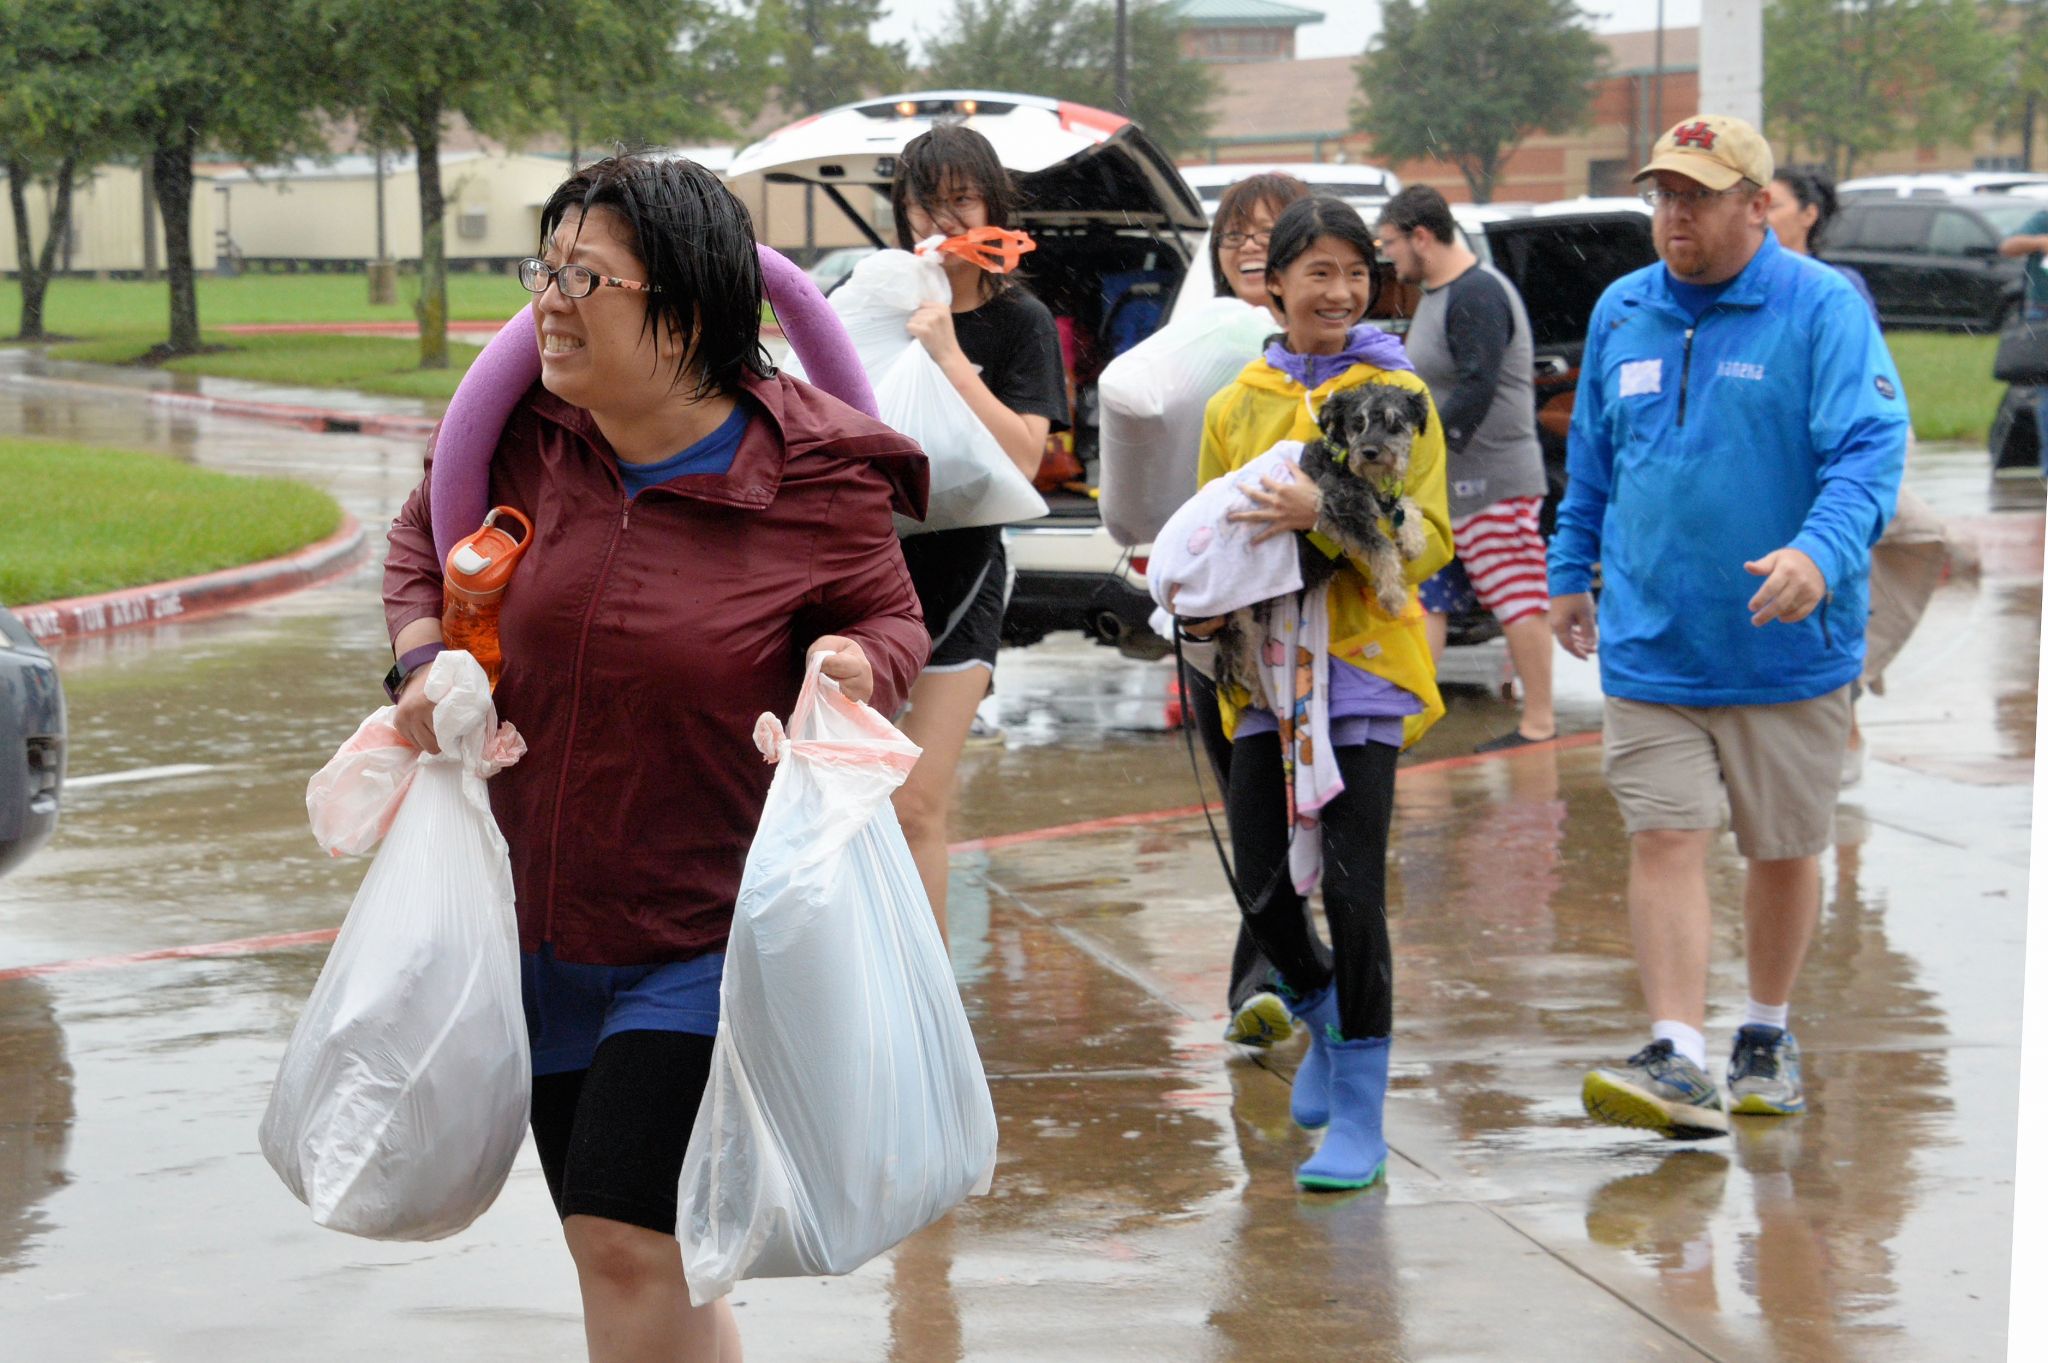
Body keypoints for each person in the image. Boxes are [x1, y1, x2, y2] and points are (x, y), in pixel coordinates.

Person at [381, 155, 929, 1363]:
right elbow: (423, 543)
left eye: (585, 275)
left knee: (627, 1237)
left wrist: (852, 663)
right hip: (537, 919)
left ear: (684, 308)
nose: (549, 300)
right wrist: (422, 660)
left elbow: (891, 621)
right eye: (545, 267)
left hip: (701, 928)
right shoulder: (524, 437)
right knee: (623, 1250)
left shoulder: (817, 467)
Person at [1550, 116, 1908, 1139]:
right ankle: (1676, 1051)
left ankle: (1763, 1028)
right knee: (1663, 833)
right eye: (1662, 195)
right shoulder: (1624, 308)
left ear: (1757, 205)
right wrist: (1567, 568)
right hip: (1651, 638)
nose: (1674, 214)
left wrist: (1816, 553)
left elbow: (1866, 451)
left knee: (1782, 848)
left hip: (1784, 642)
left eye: (1697, 196)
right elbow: (1595, 457)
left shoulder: (1818, 308)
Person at [1190, 194, 1453, 1189]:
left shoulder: (1397, 391)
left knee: (1350, 887)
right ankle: (1324, 1021)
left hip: (1363, 670)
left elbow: (1428, 536)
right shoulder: (1232, 405)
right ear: (1273, 284)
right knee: (1261, 891)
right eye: (1318, 272)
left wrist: (1327, 515)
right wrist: (1198, 609)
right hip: (1262, 676)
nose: (1339, 291)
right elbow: (1209, 532)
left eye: (1355, 273)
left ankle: (1360, 1116)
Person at [885, 125, 1069, 941]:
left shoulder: (1021, 321)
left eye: (960, 197)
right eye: (924, 199)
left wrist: (952, 357)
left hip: (963, 579)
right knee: (844, 799)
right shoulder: (880, 301)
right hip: (867, 574)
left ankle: (925, 1003)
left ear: (994, 207)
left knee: (917, 801)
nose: (940, 215)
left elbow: (1028, 456)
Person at [1769, 167, 1959, 785]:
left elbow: (1863, 397)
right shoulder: (1735, 284)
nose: (1758, 212)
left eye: (1771, 203)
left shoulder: (1835, 288)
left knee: (1836, 589)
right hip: (1772, 469)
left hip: (1830, 470)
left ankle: (1844, 726)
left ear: (1809, 215)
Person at [1375, 184, 1557, 751]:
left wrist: (1421, 444)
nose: (1389, 258)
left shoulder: (1476, 293)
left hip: (1495, 481)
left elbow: (1479, 384)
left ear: (1421, 237)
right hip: (1450, 488)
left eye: (1391, 245)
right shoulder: (1438, 293)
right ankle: (1410, 718)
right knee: (1431, 599)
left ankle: (1540, 724)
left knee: (1516, 595)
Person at [1999, 192, 2048, 478]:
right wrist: (2040, 242)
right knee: (2046, 394)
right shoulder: (2043, 219)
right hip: (2043, 318)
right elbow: (2009, 245)